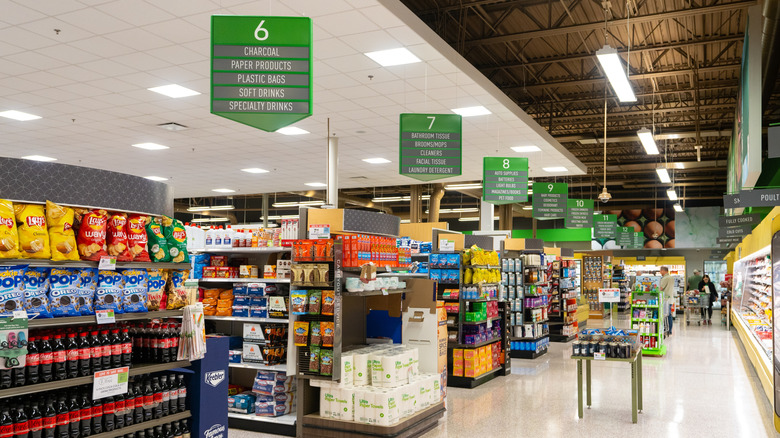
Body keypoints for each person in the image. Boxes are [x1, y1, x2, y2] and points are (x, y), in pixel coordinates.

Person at [659, 266, 675, 336]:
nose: (660, 272)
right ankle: (670, 330)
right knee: (669, 315)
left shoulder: (665, 278)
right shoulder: (671, 278)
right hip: (670, 299)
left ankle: (665, 329)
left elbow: (660, 288)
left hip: (665, 300)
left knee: (665, 315)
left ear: (663, 271)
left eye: (660, 271)